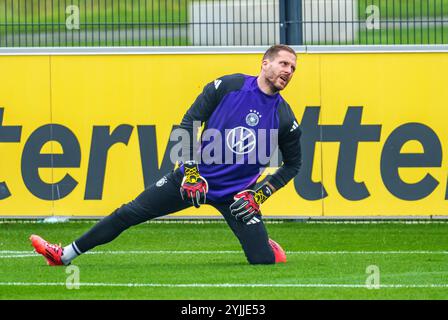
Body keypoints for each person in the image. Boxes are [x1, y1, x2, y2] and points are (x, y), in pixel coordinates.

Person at [30, 44, 302, 266]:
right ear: (265, 63)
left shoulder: (284, 116)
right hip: (194, 181)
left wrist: (260, 195)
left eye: (292, 68)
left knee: (264, 261)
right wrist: (192, 174)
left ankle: (264, 242)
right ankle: (63, 255)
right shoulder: (227, 87)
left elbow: (293, 164)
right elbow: (188, 124)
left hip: (237, 194)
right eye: (283, 63)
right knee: (129, 213)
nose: (288, 71)